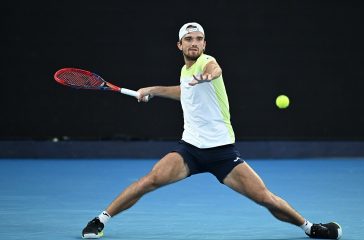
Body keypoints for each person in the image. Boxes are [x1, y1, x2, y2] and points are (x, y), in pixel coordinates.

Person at [82, 22, 342, 239]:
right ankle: (100, 219)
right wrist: (153, 90)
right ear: (180, 45)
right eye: (189, 39)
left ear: (204, 45)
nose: (194, 43)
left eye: (199, 39)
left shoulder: (206, 62)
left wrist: (208, 76)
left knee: (264, 197)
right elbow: (184, 91)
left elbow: (214, 69)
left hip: (222, 153)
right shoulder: (185, 71)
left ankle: (310, 228)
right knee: (147, 181)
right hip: (190, 150)